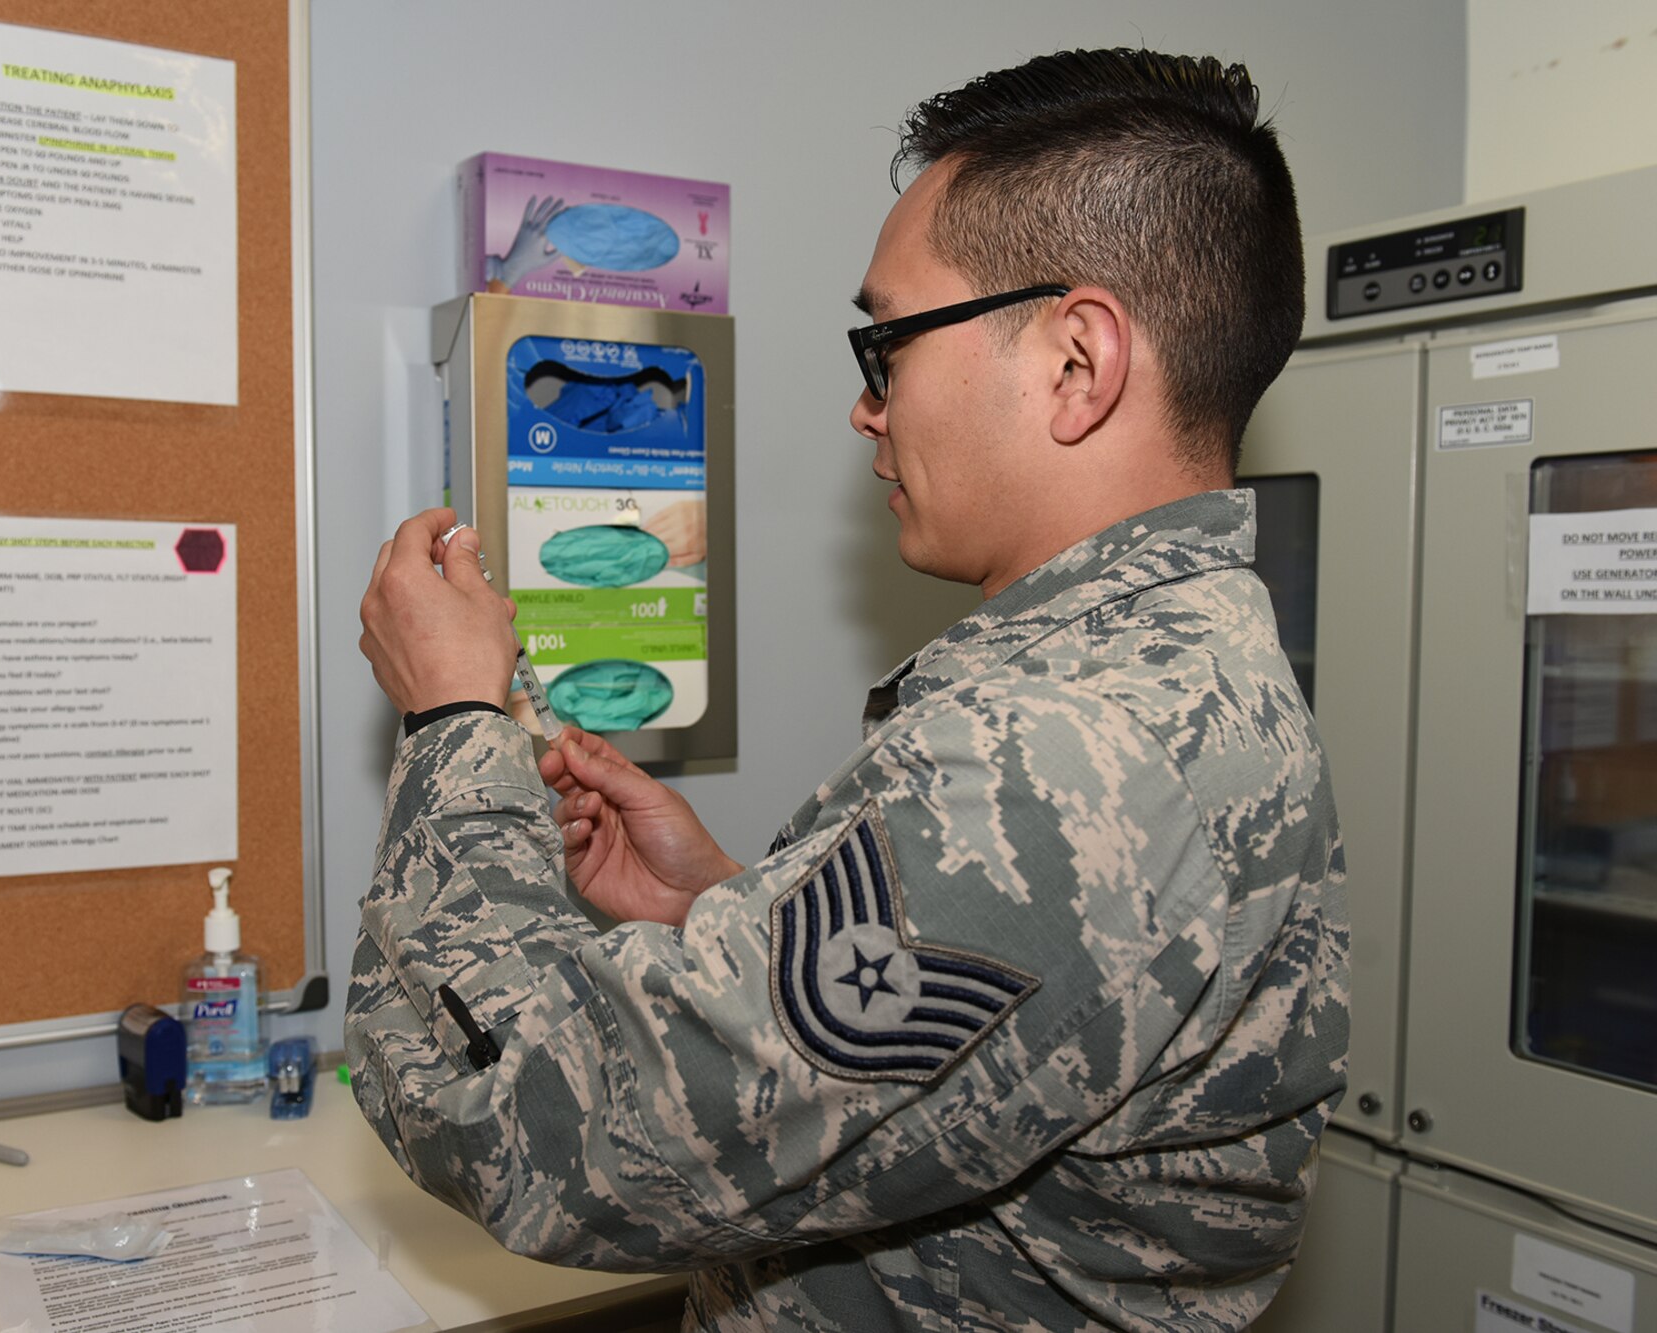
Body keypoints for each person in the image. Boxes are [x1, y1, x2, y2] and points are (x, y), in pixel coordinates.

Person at [349, 47, 1347, 1332]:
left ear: (1075, 361)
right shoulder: (1178, 668)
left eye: (888, 344)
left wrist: (451, 721)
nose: (865, 409)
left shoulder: (1064, 755)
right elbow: (975, 1064)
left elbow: (526, 1126)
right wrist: (727, 909)